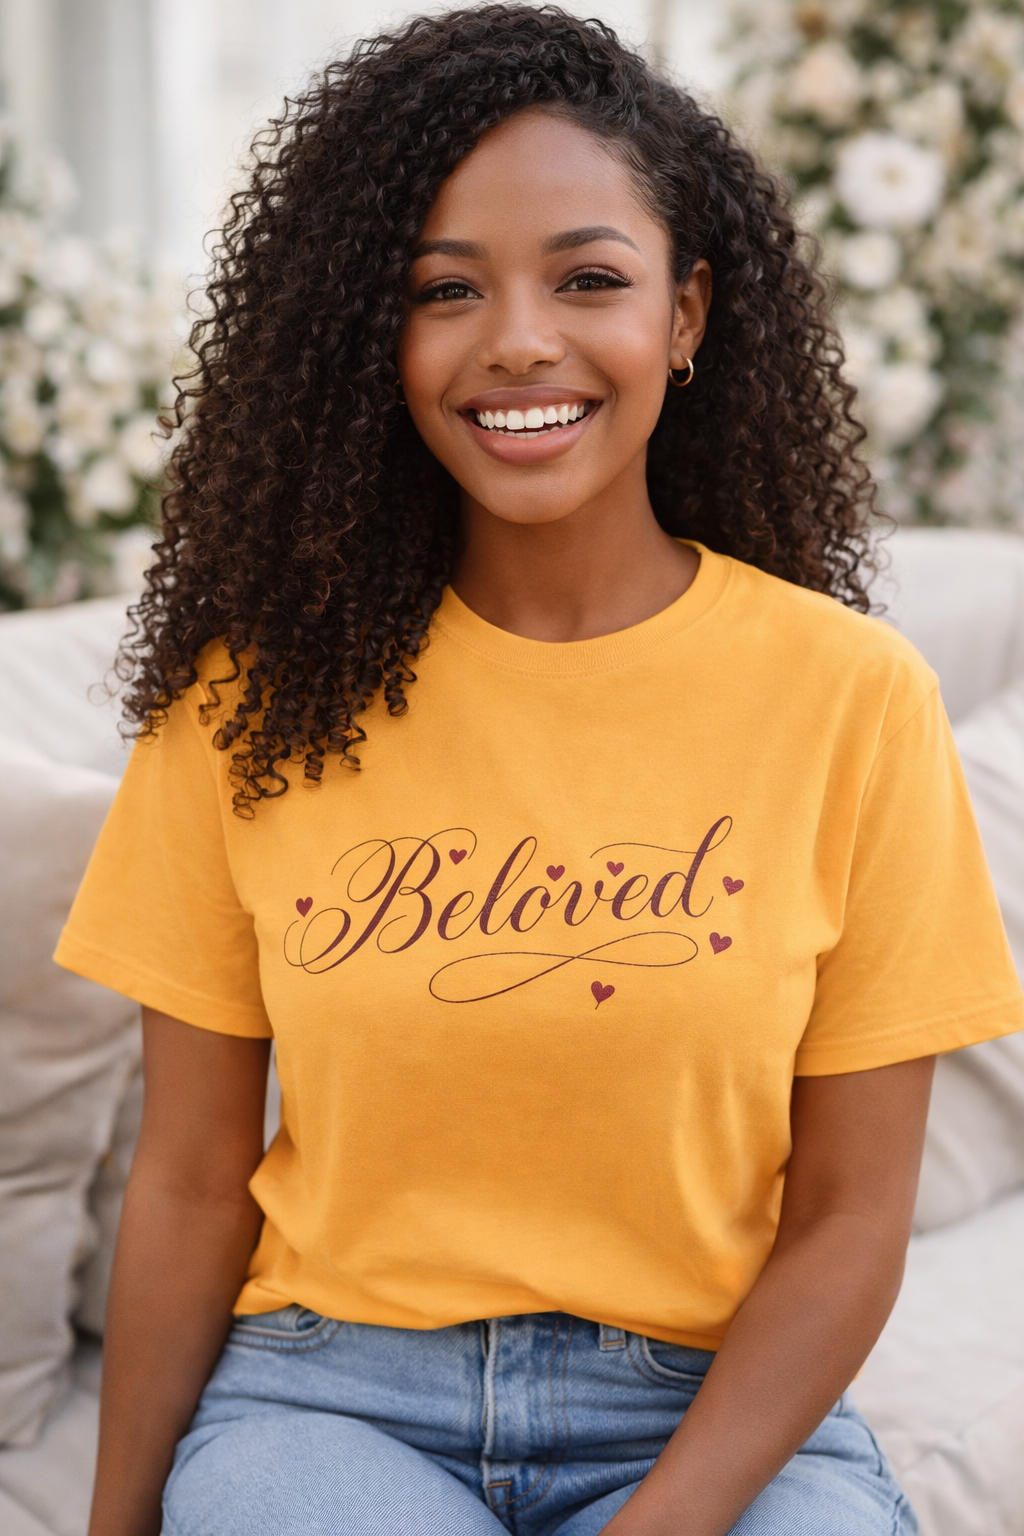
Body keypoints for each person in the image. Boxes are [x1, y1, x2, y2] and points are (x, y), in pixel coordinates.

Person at [57, 7, 1023, 1535]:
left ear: (687, 314)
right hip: (331, 1403)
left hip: (707, 1411)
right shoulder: (249, 703)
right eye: (446, 290)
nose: (519, 338)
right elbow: (186, 1184)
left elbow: (849, 1220)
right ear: (372, 339)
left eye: (589, 278)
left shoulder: (852, 702)